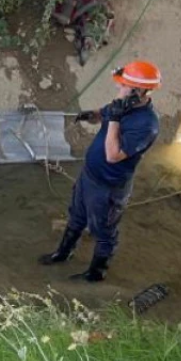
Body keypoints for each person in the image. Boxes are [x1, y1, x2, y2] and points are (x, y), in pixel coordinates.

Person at [39, 60, 161, 282]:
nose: (118, 87)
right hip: (89, 176)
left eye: (123, 85)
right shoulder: (122, 105)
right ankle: (63, 253)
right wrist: (92, 115)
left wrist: (114, 119)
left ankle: (96, 273)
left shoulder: (146, 124)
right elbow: (103, 114)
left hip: (108, 187)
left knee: (104, 232)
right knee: (76, 216)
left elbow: (113, 155)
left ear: (138, 91)